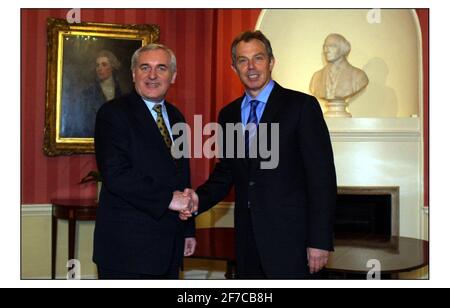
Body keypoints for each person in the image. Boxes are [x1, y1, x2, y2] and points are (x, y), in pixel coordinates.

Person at [181, 31, 337, 279]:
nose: (251, 67)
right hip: (248, 243)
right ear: (234, 67)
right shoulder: (228, 114)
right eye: (243, 60)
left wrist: (319, 240)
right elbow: (227, 172)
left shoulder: (301, 107)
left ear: (272, 62)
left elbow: (322, 179)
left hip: (293, 243)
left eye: (258, 58)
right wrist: (197, 199)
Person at [93, 43, 197, 279]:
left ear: (173, 75)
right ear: (133, 74)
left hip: (169, 247)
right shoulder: (112, 114)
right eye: (145, 68)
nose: (152, 75)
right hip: (126, 252)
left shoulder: (177, 116)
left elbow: (182, 176)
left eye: (161, 68)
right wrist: (168, 199)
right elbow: (116, 174)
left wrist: (188, 230)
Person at [310, 33, 369, 100]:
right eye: (325, 47)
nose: (326, 50)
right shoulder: (316, 77)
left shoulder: (358, 76)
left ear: (343, 48)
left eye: (332, 46)